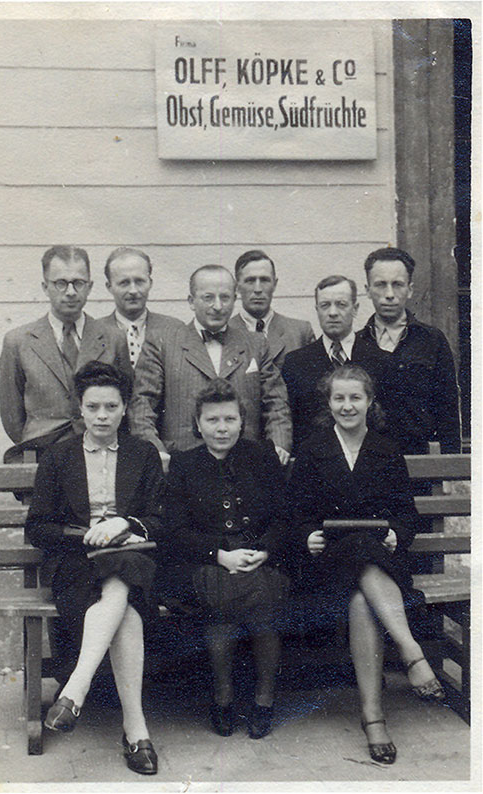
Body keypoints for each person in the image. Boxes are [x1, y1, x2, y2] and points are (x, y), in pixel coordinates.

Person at [287, 365, 444, 765]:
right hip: (326, 566)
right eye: (339, 398)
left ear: (370, 402)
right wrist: (307, 535)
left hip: (379, 565)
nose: (347, 405)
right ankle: (412, 652)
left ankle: (373, 718)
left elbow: (406, 515)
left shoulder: (386, 449)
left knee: (362, 601)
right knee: (357, 545)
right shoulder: (311, 449)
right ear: (328, 403)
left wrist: (397, 535)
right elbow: (294, 514)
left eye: (355, 397)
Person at [25, 361, 164, 775]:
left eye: (111, 406)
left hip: (133, 557)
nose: (102, 416)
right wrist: (87, 535)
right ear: (80, 410)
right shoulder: (59, 456)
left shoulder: (143, 454)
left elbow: (161, 519)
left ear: (125, 409)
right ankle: (136, 730)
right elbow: (38, 527)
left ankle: (73, 692)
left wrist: (125, 524)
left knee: (124, 575)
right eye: (93, 407)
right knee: (126, 613)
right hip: (76, 563)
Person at [165, 379, 290, 739]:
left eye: (230, 419)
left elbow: (284, 517)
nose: (221, 428)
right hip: (208, 560)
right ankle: (224, 696)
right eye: (213, 420)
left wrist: (264, 550)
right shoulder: (185, 464)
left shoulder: (262, 457)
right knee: (224, 590)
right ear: (198, 423)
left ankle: (262, 700)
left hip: (259, 556)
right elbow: (176, 530)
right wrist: (220, 555)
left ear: (242, 421)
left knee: (260, 594)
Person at [129, 265, 292, 471]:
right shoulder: (163, 343)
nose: (217, 306)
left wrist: (278, 444)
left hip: (246, 465)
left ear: (234, 300)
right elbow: (142, 405)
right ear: (191, 301)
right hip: (181, 465)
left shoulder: (256, 344)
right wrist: (156, 452)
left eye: (225, 298)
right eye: (208, 298)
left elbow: (276, 402)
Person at [0, 246, 132, 461]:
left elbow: (126, 397)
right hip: (42, 454)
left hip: (100, 452)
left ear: (90, 287)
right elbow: (12, 416)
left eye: (78, 283)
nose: (70, 292)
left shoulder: (113, 338)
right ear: (45, 287)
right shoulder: (18, 341)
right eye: (60, 283)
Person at [358, 247, 461, 454]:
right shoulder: (356, 343)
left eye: (397, 285)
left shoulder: (432, 340)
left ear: (410, 289)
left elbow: (448, 410)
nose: (389, 294)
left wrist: (451, 470)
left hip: (420, 462)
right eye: (380, 285)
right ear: (367, 290)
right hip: (370, 463)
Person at [282, 275, 385, 452]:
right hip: (315, 468)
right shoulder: (295, 363)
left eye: (341, 304)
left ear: (355, 308)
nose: (332, 313)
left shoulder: (380, 360)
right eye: (325, 305)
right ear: (317, 309)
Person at [100, 246, 184, 370]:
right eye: (124, 283)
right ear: (109, 287)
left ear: (150, 283)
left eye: (139, 281)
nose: (133, 290)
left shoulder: (175, 330)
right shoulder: (94, 332)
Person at [229, 249, 314, 370]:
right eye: (250, 281)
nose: (258, 289)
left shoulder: (300, 333)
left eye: (264, 280)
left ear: (274, 284)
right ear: (237, 287)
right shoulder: (224, 332)